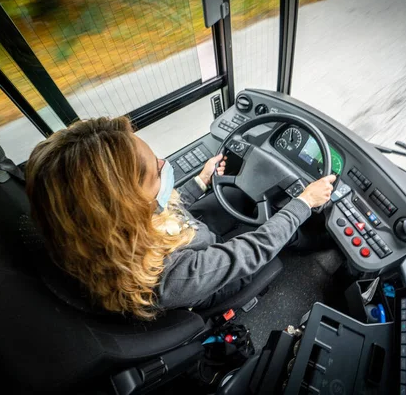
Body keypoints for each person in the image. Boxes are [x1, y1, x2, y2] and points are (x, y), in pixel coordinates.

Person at [26, 116, 336, 320]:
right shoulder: (170, 278)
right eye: (156, 170)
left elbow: (166, 212)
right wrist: (303, 203)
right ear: (130, 206)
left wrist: (200, 182)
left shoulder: (106, 231)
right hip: (218, 279)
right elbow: (250, 252)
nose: (163, 162)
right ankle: (320, 243)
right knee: (289, 236)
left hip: (192, 240)